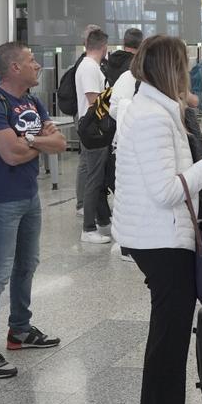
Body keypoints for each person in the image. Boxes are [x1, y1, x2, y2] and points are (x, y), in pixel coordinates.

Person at [112, 35, 202, 404]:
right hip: (159, 238)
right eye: (183, 64)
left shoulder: (156, 109)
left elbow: (167, 166)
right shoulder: (152, 116)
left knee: (170, 334)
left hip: (155, 234)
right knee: (169, 337)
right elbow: (166, 191)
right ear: (171, 69)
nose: (187, 72)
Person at [0, 42, 68, 379]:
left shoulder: (33, 101)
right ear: (14, 68)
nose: (37, 65)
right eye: (30, 61)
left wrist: (27, 142)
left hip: (29, 196)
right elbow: (10, 155)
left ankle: (20, 330)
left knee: (27, 265)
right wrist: (35, 142)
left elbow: (60, 145)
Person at [78, 28, 113, 244]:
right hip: (95, 131)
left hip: (98, 130)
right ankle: (88, 228)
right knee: (94, 179)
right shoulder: (89, 68)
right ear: (104, 47)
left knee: (99, 178)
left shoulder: (90, 66)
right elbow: (94, 101)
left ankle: (103, 220)